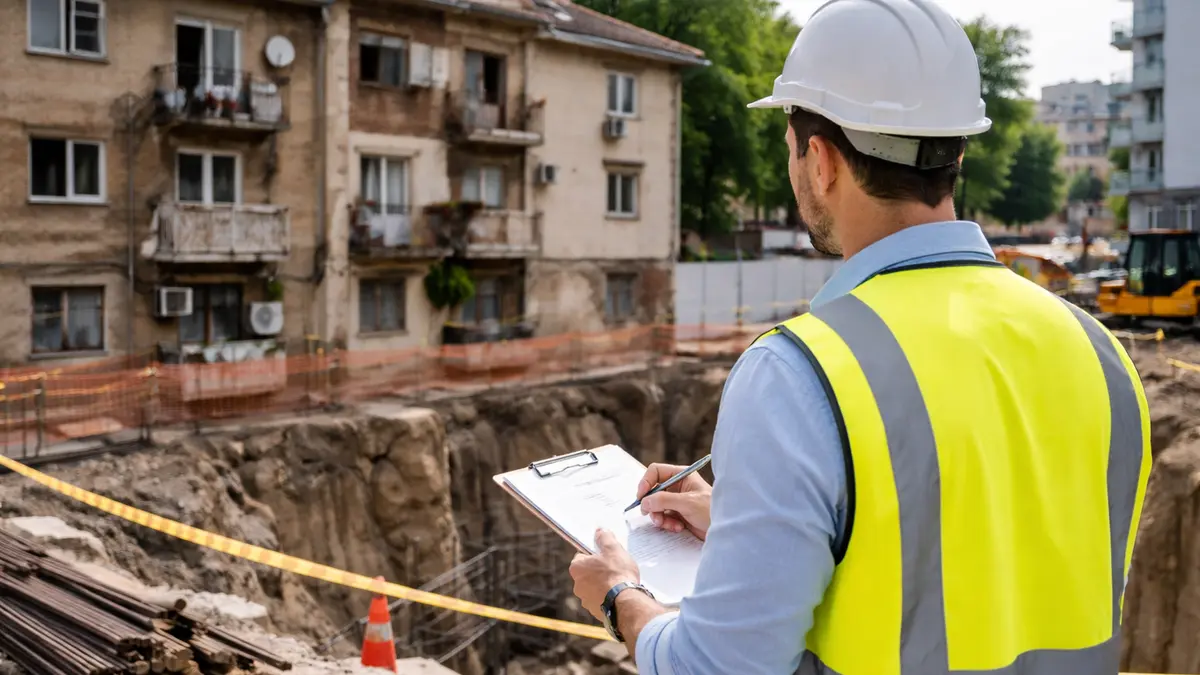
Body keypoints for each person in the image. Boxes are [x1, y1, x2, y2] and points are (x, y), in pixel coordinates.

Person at [568, 0, 1152, 672]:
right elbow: (980, 553)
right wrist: (758, 519)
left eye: (790, 149)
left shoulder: (799, 374)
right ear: (957, 151)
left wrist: (621, 596)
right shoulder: (1099, 352)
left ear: (819, 160)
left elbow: (716, 666)